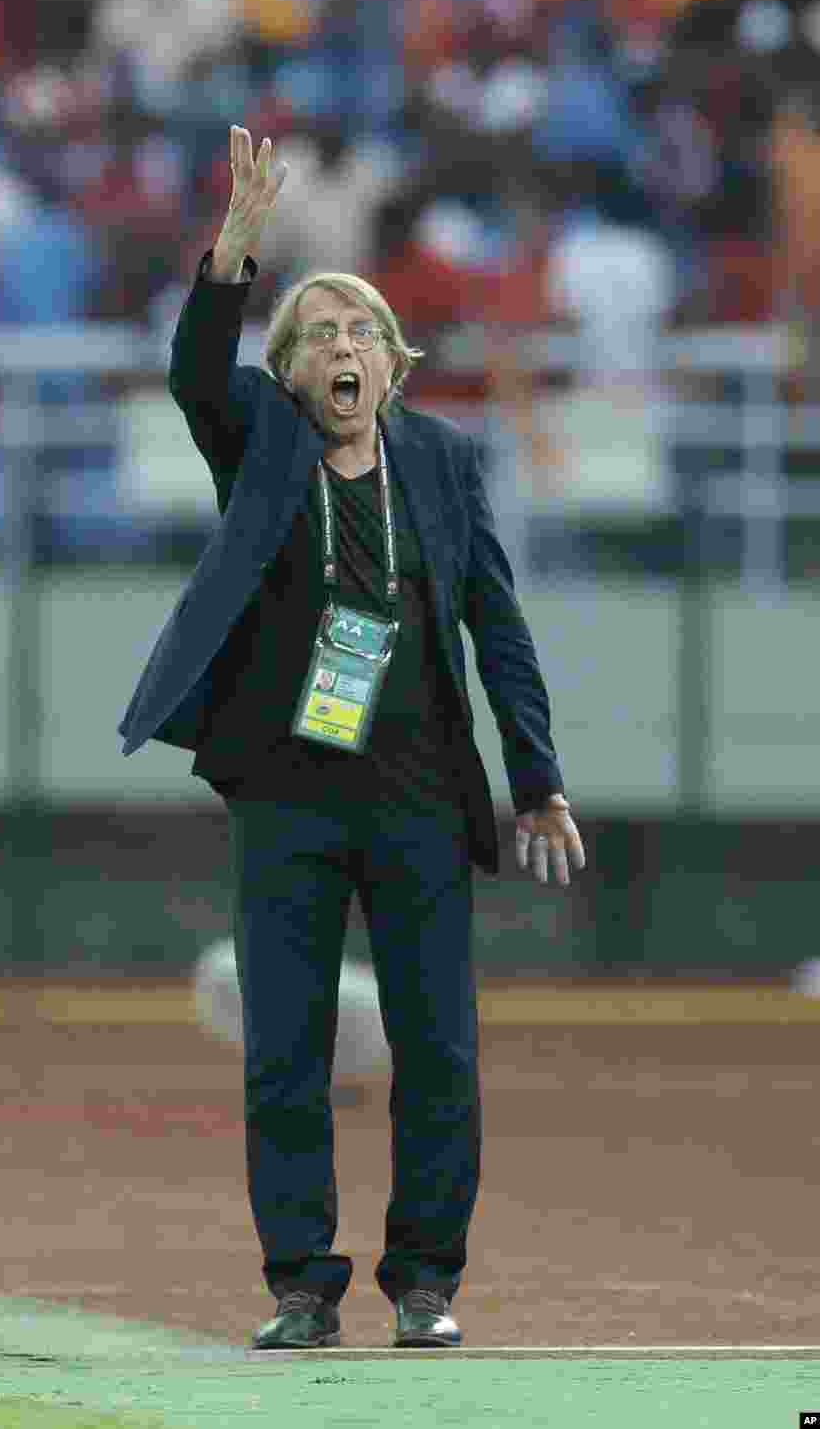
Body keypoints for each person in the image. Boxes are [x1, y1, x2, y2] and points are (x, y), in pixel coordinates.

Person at [118, 125, 585, 1349]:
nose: (342, 346)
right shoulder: (263, 444)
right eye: (319, 332)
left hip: (422, 797)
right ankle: (300, 1289)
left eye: (361, 331)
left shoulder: (440, 462)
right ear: (288, 370)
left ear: (394, 363)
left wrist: (534, 777)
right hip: (286, 793)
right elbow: (191, 376)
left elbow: (497, 622)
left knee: (439, 1049)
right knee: (288, 1046)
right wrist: (234, 252)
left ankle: (426, 1282)